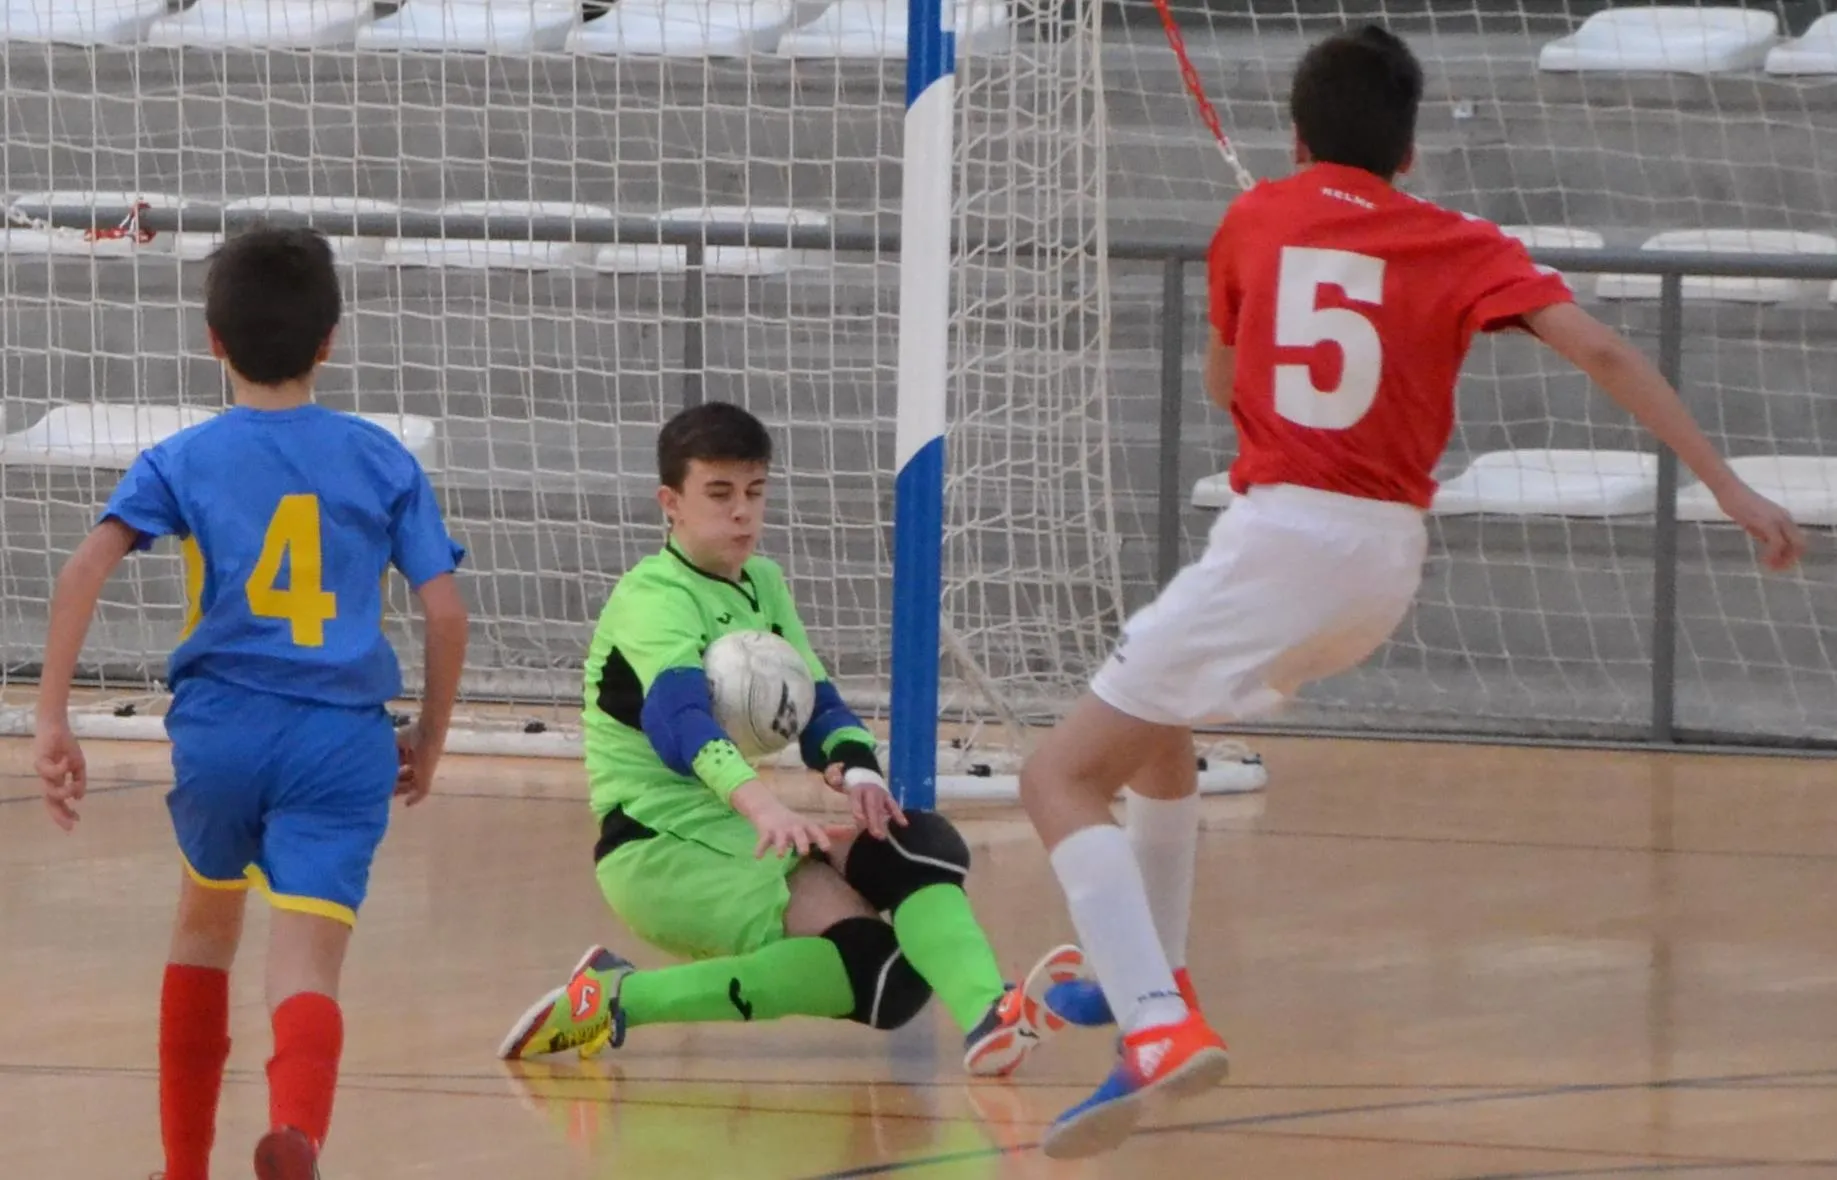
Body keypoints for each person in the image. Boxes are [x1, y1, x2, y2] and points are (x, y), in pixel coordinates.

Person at [1020, 24, 1806, 1160]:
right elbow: (1602, 354)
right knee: (1157, 736)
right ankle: (1157, 969)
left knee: (1055, 773)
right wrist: (1726, 485)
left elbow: (1220, 382)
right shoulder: (1461, 238)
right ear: (1411, 152)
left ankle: (1152, 1021)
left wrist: (1254, 274)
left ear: (1295, 138)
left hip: (1280, 535)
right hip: (1385, 560)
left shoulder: (1253, 219)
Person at [31, 225, 469, 1180]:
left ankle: (184, 1167)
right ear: (330, 341)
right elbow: (444, 615)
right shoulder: (381, 459)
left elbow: (82, 571)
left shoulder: (182, 458)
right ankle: (297, 1132)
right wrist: (428, 739)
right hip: (339, 740)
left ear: (212, 341)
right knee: (305, 965)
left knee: (202, 931)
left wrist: (53, 716)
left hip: (223, 730)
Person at [497, 401, 1083, 1075]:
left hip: (730, 825)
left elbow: (816, 702)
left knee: (910, 860)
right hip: (658, 847)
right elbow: (679, 721)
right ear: (671, 502)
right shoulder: (651, 597)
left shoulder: (763, 583)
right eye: (718, 494)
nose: (741, 511)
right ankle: (614, 997)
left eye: (753, 492)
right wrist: (763, 805)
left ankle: (989, 1014)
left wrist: (856, 772)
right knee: (875, 969)